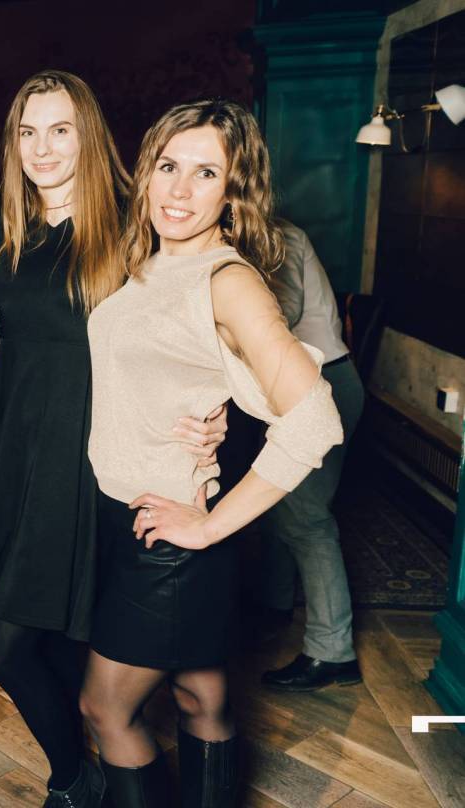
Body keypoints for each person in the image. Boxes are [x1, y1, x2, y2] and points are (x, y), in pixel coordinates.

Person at [0, 71, 227, 808]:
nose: (42, 148)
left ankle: (76, 780)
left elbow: (197, 320)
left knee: (21, 648)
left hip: (98, 463)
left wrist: (217, 410)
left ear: (89, 136)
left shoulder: (131, 226)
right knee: (41, 643)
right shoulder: (2, 232)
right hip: (23, 456)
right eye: (28, 132)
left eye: (61, 130)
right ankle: (85, 776)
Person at [79, 99, 344, 807]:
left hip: (172, 537)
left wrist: (209, 527)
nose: (179, 189)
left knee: (105, 708)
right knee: (201, 696)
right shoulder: (149, 265)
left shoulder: (226, 280)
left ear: (234, 191)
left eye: (205, 173)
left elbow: (314, 418)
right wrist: (220, 410)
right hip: (131, 517)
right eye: (168, 166)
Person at [257, 220, 365, 691]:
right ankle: (273, 605)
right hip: (294, 382)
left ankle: (332, 652)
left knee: (306, 517)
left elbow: (281, 312)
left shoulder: (277, 235)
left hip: (324, 383)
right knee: (277, 503)